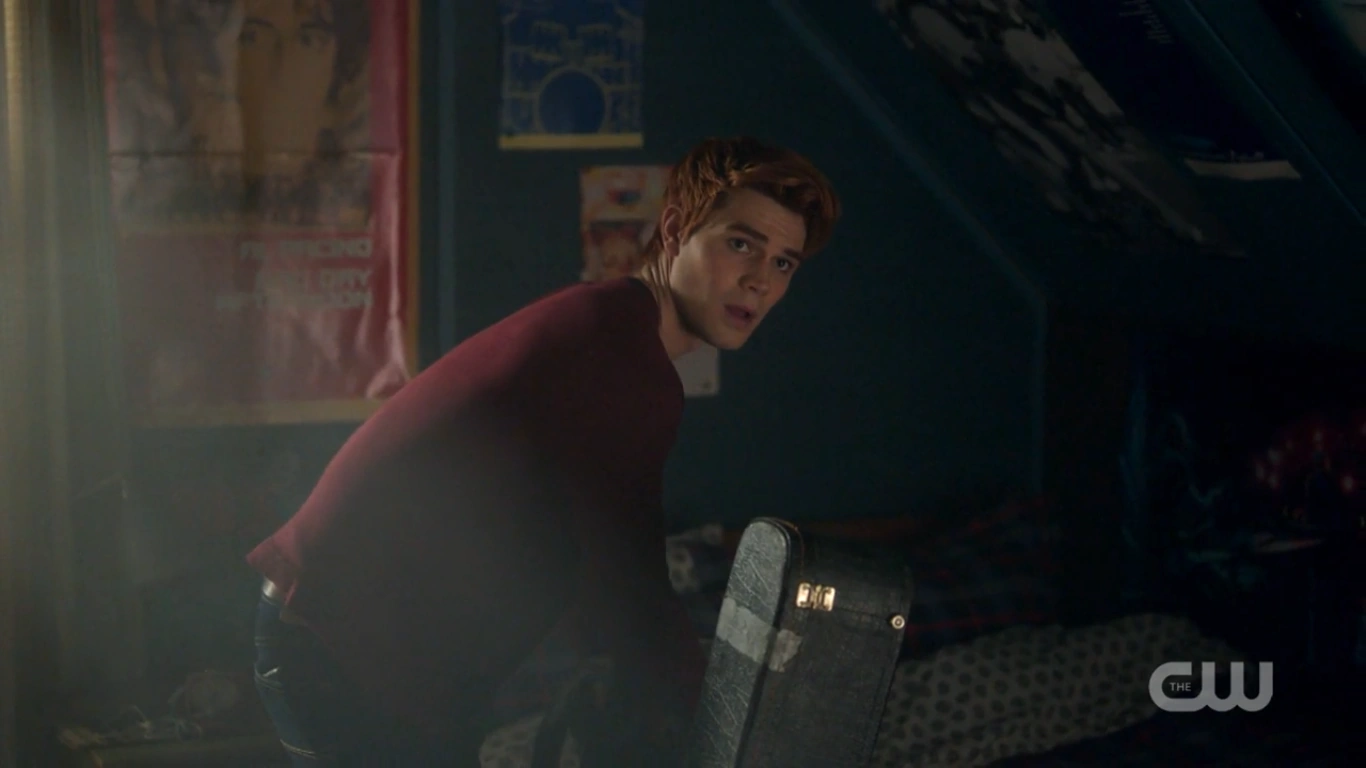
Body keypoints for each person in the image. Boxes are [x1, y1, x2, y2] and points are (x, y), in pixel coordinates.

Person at [246, 136, 841, 765]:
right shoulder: (621, 356)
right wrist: (723, 728)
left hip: (359, 643)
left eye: (783, 263)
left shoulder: (612, 325)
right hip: (345, 644)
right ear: (674, 230)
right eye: (741, 244)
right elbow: (631, 585)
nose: (759, 281)